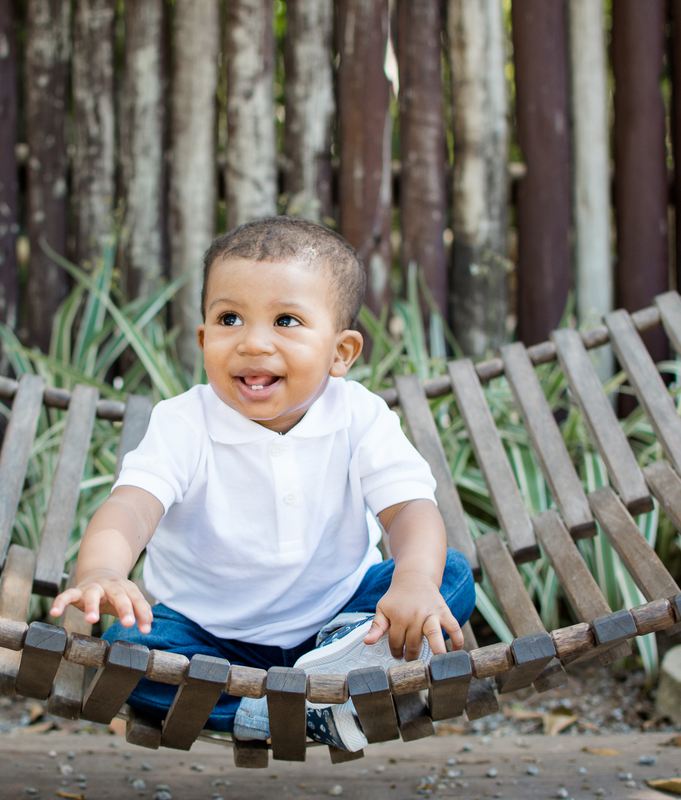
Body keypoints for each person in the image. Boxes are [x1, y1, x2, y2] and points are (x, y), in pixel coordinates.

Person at [48, 216, 475, 751]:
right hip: (208, 639)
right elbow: (131, 509)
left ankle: (334, 667)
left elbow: (409, 509)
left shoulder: (359, 417)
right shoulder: (183, 423)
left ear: (341, 352)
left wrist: (412, 580)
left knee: (449, 575)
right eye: (229, 318)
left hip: (342, 620)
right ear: (203, 338)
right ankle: (295, 709)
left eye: (286, 321)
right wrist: (103, 570)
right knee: (127, 652)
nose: (253, 342)